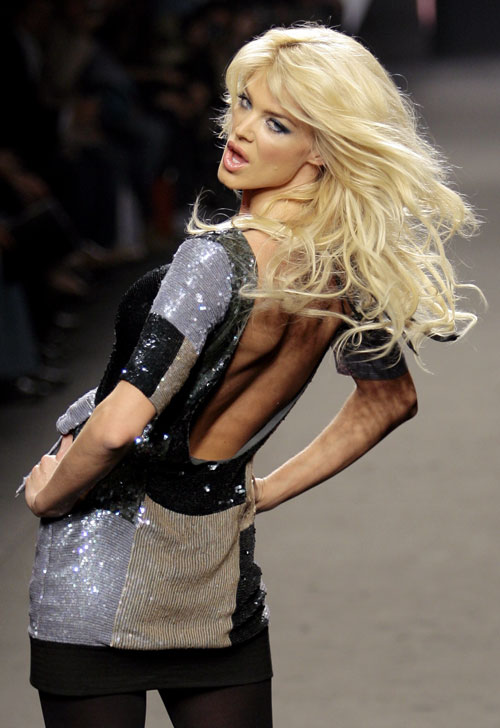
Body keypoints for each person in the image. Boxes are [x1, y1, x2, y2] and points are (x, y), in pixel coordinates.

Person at [23, 24, 478, 728]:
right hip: (216, 578)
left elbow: (117, 426)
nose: (238, 130)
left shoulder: (214, 260)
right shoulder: (345, 264)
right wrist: (259, 490)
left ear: (321, 148)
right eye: (243, 103)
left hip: (100, 568)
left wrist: (49, 494)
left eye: (276, 123)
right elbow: (388, 401)